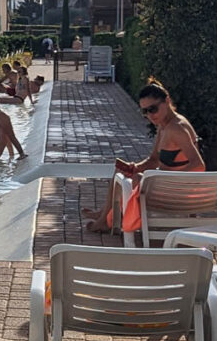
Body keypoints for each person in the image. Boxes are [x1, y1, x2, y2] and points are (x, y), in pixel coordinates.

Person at [84, 80, 205, 232]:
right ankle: (104, 215)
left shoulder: (177, 128)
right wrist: (135, 167)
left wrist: (164, 177)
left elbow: (198, 165)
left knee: (136, 179)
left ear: (167, 101)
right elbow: (154, 160)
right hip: (167, 184)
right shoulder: (164, 125)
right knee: (122, 171)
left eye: (153, 109)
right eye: (145, 112)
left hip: (176, 189)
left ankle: (108, 220)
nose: (149, 115)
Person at [0, 95, 26, 160]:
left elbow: (12, 137)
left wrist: (21, 154)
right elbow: (6, 136)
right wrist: (11, 155)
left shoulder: (2, 117)